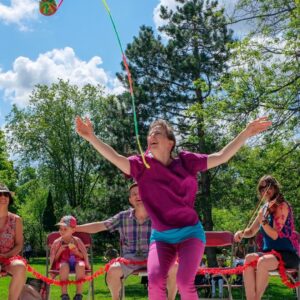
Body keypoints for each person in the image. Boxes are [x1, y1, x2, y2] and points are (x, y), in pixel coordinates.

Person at [75, 115, 271, 300]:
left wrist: (246, 132)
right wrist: (91, 137)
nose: (152, 135)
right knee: (155, 282)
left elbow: (221, 156)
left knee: (184, 283)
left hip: (190, 234)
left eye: (157, 132)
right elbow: (116, 158)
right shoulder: (141, 166)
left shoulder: (187, 162)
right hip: (161, 237)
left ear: (170, 143)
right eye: (150, 133)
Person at [75, 183, 177, 300]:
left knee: (174, 266)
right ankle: (116, 298)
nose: (138, 196)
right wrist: (75, 228)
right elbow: (100, 226)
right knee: (113, 269)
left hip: (155, 258)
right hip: (129, 259)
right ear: (130, 200)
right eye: (134, 194)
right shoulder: (122, 217)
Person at [234, 175, 299, 300]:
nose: (265, 191)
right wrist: (241, 233)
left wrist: (263, 221)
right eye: (262, 189)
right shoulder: (264, 209)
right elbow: (252, 230)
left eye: (268, 187)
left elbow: (275, 235)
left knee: (262, 262)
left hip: (286, 254)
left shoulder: (281, 206)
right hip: (270, 254)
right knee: (248, 258)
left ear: (275, 188)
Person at [50, 215, 90, 300]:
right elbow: (55, 260)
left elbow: (84, 255)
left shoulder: (77, 241)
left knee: (81, 265)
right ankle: (64, 295)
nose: (62, 231)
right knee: (63, 266)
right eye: (60, 229)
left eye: (65, 229)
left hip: (77, 262)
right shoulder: (57, 242)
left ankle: (78, 294)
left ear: (73, 230)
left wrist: (77, 252)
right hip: (63, 263)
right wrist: (60, 251)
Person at [0, 183, 26, 300]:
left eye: (6, 194)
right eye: (0, 194)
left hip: (9, 258)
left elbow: (19, 244)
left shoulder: (16, 220)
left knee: (20, 266)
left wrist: (6, 255)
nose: (3, 197)